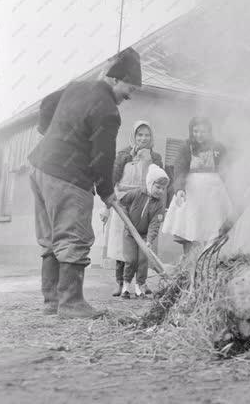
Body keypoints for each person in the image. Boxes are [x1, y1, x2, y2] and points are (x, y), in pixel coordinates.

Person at [28, 47, 141, 319]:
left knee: (51, 239)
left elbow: (46, 105)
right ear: (114, 79)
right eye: (130, 87)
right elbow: (102, 158)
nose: (130, 94)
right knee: (73, 236)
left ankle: (51, 301)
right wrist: (106, 191)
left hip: (40, 168)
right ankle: (71, 303)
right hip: (69, 178)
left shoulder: (76, 87)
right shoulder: (108, 112)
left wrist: (50, 134)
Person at [101, 120, 164, 297]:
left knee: (143, 247)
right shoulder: (123, 154)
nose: (143, 138)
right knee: (122, 247)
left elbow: (159, 179)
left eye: (147, 135)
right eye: (140, 135)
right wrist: (107, 206)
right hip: (124, 202)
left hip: (145, 203)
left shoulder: (156, 157)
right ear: (134, 136)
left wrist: (147, 160)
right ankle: (120, 283)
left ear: (151, 137)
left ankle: (141, 284)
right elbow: (113, 178)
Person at [162, 117, 234, 257]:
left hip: (214, 193)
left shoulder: (218, 147)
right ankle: (189, 260)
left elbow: (226, 169)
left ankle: (209, 257)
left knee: (212, 227)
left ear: (209, 131)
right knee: (191, 226)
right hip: (192, 191)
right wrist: (180, 189)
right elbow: (180, 169)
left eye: (203, 131)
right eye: (195, 131)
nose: (199, 135)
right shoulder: (186, 147)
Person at [119, 164, 169, 299]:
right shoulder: (136, 193)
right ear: (150, 183)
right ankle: (126, 286)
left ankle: (139, 287)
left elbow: (155, 224)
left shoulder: (159, 204)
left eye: (163, 189)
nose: (160, 191)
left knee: (142, 261)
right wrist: (127, 221)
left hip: (144, 236)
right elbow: (121, 204)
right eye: (157, 187)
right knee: (131, 260)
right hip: (130, 234)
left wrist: (149, 240)